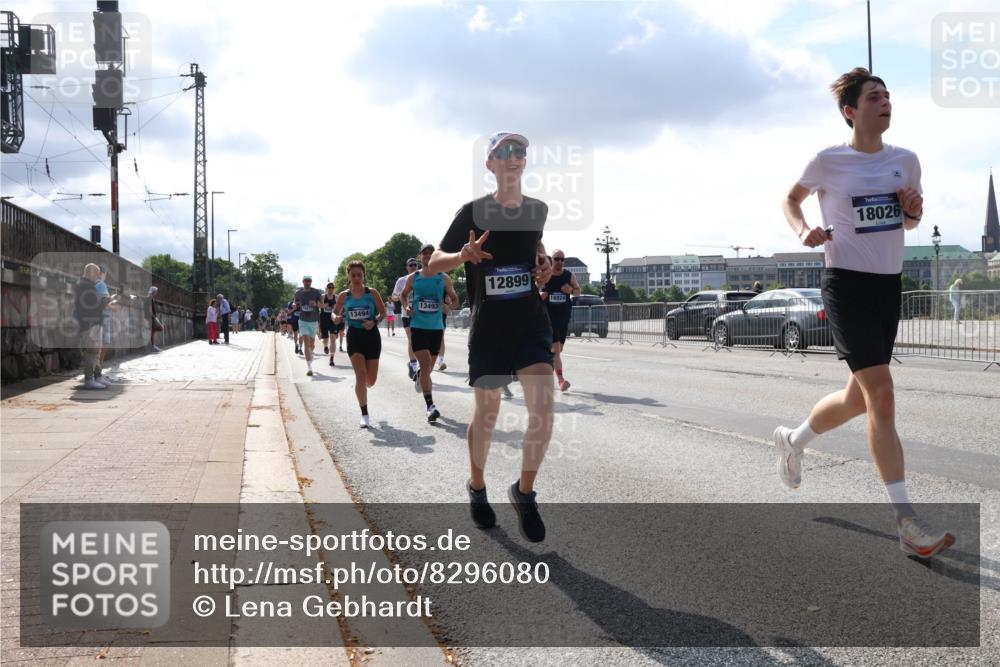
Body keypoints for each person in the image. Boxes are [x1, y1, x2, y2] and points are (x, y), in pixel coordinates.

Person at [775, 67, 954, 559]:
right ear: (851, 111)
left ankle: (794, 439)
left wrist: (913, 207)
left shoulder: (906, 160)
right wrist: (803, 230)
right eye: (875, 96)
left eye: (889, 95)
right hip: (846, 285)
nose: (885, 102)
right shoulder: (829, 160)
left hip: (887, 287)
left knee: (859, 399)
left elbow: (909, 220)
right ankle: (906, 520)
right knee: (882, 392)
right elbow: (791, 199)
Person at [428, 131, 555, 543]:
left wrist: (542, 265)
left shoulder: (537, 210)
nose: (515, 157)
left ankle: (524, 491)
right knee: (487, 413)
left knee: (544, 408)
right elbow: (431, 264)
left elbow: (534, 246)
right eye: (505, 152)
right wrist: (463, 256)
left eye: (521, 151)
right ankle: (478, 487)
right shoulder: (473, 212)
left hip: (530, 323)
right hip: (489, 330)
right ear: (491, 164)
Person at [401, 243, 459, 422]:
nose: (427, 256)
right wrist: (407, 306)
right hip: (418, 327)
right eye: (424, 254)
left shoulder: (444, 278)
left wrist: (448, 305)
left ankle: (420, 375)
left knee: (428, 369)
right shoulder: (414, 277)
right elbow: (403, 295)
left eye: (430, 253)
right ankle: (430, 406)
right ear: (420, 257)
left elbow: (456, 301)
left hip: (436, 329)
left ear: (435, 256)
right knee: (426, 364)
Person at [333, 261, 386, 428]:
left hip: (371, 336)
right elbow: (335, 313)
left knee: (371, 380)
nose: (356, 278)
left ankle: (363, 387)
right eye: (353, 275)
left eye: (359, 275)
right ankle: (364, 414)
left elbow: (383, 312)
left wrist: (374, 321)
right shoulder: (344, 296)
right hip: (354, 336)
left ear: (363, 276)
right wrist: (335, 318)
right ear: (349, 276)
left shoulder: (372, 293)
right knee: (360, 374)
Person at [541, 250, 581, 392]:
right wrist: (540, 294)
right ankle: (561, 380)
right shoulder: (546, 275)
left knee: (558, 350)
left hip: (563, 317)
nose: (559, 261)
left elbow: (578, 291)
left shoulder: (568, 276)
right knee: (556, 349)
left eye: (562, 259)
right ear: (551, 260)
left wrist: (570, 290)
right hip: (549, 318)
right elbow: (534, 290)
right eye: (557, 258)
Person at [74, 263, 110, 389]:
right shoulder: (85, 286)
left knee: (96, 351)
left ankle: (97, 376)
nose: (98, 277)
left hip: (91, 323)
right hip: (90, 324)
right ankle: (89, 379)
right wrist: (106, 300)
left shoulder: (84, 285)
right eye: (96, 274)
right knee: (92, 352)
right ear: (90, 272)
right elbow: (96, 305)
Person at [392, 258, 421, 380]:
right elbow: (393, 296)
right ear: (407, 267)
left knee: (421, 340)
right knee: (412, 339)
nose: (413, 267)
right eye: (411, 265)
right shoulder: (401, 280)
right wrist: (398, 297)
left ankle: (414, 364)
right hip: (406, 314)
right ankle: (414, 367)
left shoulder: (422, 278)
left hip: (421, 314)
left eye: (415, 265)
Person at [294, 276, 323, 376]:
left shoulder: (316, 292)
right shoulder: (299, 293)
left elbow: (321, 305)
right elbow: (295, 301)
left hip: (313, 320)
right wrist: (295, 305)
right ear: (303, 282)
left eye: (309, 281)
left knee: (312, 344)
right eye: (306, 281)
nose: (307, 282)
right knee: (306, 342)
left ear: (311, 282)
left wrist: (315, 304)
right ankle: (309, 367)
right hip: (303, 320)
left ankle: (311, 352)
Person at [320, 282, 340, 366]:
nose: (330, 289)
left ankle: (332, 358)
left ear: (334, 289)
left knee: (333, 338)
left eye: (332, 288)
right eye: (329, 288)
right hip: (324, 318)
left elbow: (339, 309)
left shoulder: (337, 297)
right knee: (325, 338)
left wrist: (334, 306)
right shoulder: (323, 296)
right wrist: (326, 304)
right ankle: (325, 346)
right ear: (326, 288)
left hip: (333, 319)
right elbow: (320, 306)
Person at [148, 286, 162, 352]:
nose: (157, 292)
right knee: (154, 331)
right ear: (153, 292)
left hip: (151, 318)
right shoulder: (150, 298)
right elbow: (149, 310)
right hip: (151, 318)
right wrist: (155, 318)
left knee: (153, 331)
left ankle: (153, 346)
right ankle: (152, 346)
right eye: (156, 291)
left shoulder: (151, 298)